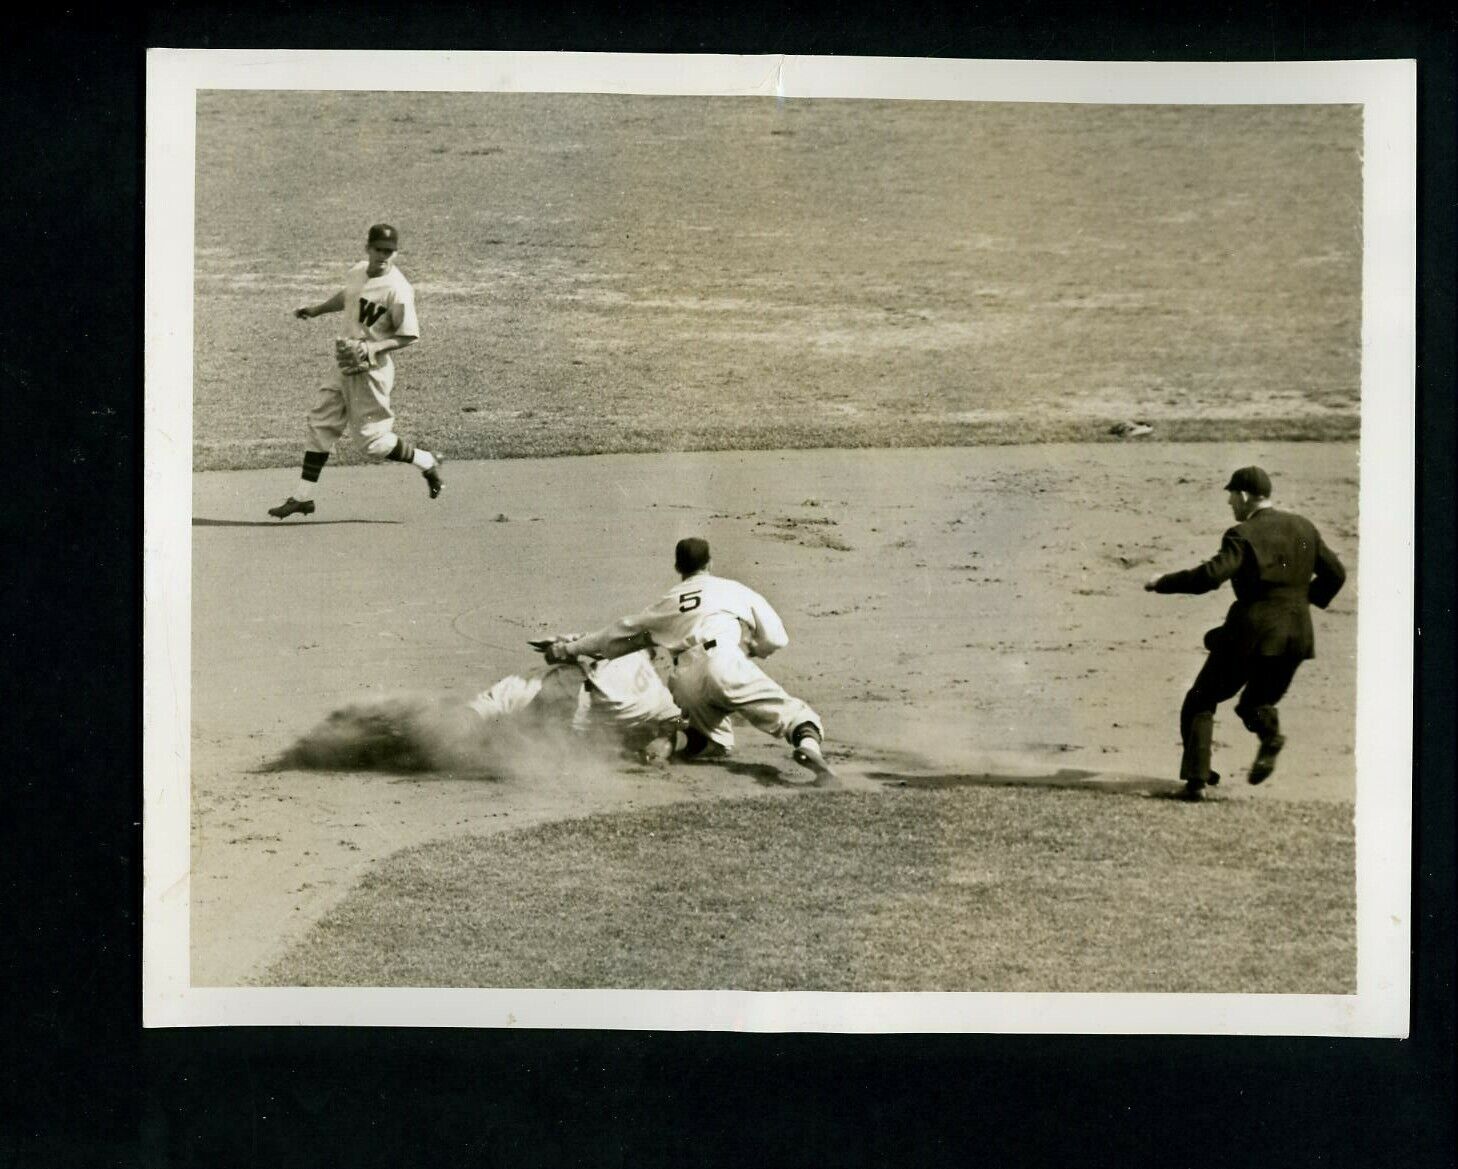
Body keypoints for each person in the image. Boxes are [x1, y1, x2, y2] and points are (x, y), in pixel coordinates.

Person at [540, 538, 837, 781]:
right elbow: (775, 638)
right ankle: (808, 747)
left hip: (685, 680)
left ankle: (670, 744)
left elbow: (618, 637)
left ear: (677, 567)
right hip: (724, 661)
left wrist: (568, 649)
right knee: (796, 715)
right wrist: (752, 651)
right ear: (710, 563)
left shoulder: (668, 603)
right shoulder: (732, 589)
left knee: (716, 743)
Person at [1144, 466, 1346, 800]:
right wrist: (1301, 600)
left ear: (1245, 496)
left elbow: (1210, 577)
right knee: (1255, 703)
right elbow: (1336, 574)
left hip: (1250, 635)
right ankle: (1270, 738)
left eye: (1231, 495)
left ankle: (1196, 779)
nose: (1229, 502)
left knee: (1201, 698)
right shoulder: (1304, 528)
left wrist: (1162, 582)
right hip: (1297, 636)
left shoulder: (1242, 534)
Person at [268, 223, 444, 518]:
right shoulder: (358, 271)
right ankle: (302, 497)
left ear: (396, 252)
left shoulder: (398, 290)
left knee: (373, 444)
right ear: (368, 248)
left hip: (371, 372)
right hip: (344, 364)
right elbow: (349, 295)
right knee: (320, 422)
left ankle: (427, 461)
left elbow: (409, 335)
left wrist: (373, 348)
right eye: (378, 250)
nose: (384, 256)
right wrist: (317, 309)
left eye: (390, 251)